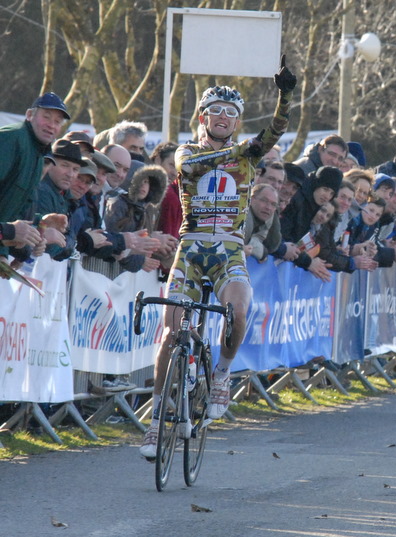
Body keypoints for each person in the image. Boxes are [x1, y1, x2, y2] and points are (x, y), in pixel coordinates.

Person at [139, 56, 296, 459]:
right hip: (190, 250)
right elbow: (192, 166)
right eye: (216, 111)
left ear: (238, 121)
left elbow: (276, 131)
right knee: (171, 333)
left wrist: (285, 96)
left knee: (239, 311)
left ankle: (223, 374)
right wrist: (236, 153)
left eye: (231, 113)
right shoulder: (186, 152)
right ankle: (156, 420)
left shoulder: (249, 155)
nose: (223, 117)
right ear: (202, 117)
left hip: (228, 250)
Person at [0, 92, 71, 267]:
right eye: (46, 117)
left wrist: (40, 225)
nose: (51, 126)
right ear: (29, 115)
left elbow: (13, 213)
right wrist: (8, 233)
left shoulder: (38, 156)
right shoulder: (10, 139)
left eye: (57, 122)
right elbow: (9, 226)